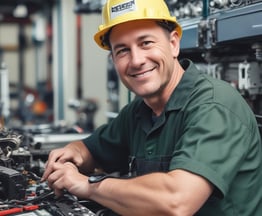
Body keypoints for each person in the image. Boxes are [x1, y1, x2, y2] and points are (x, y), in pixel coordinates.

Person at [41, 0, 262, 215]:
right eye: (122, 50)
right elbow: (90, 150)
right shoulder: (139, 111)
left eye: (146, 43)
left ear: (174, 43)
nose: (136, 60)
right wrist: (71, 155)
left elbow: (176, 202)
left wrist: (86, 185)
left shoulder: (215, 106)